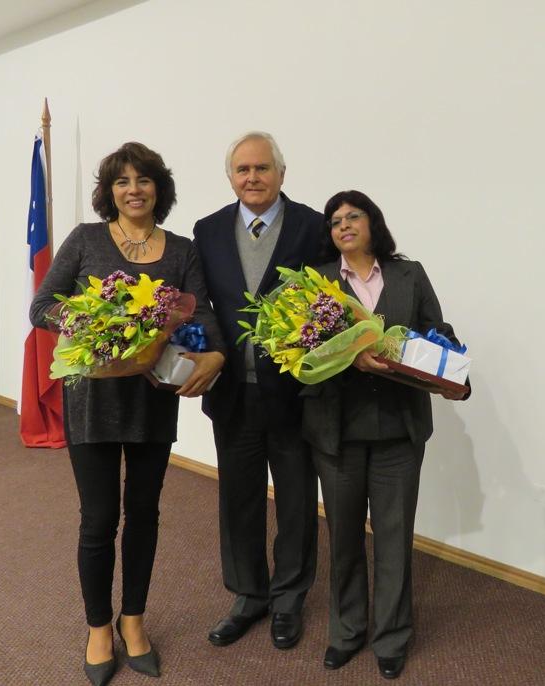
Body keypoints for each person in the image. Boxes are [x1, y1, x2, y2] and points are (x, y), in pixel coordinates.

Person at [30, 142, 225, 686]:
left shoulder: (181, 249)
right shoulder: (86, 240)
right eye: (122, 181)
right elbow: (41, 304)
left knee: (144, 513)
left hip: (152, 399)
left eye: (143, 180)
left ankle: (133, 619)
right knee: (97, 520)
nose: (133, 189)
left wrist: (215, 352)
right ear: (109, 191)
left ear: (159, 189)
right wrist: (93, 321)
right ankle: (98, 627)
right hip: (91, 399)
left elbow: (202, 312)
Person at [301, 190, 468, 680]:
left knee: (394, 538)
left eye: (354, 216)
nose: (345, 225)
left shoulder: (408, 274)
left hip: (399, 429)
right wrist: (348, 355)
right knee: (345, 537)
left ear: (373, 222)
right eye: (335, 221)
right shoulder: (317, 284)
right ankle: (346, 631)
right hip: (337, 431)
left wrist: (457, 374)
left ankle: (392, 636)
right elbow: (299, 350)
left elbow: (438, 330)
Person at [192, 132, 322, 650]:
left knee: (294, 501)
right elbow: (200, 306)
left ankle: (289, 598)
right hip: (232, 394)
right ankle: (249, 595)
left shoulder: (314, 226)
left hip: (294, 395)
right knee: (239, 500)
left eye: (262, 169)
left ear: (281, 173)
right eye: (243, 170)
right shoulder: (207, 231)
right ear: (230, 177)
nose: (253, 178)